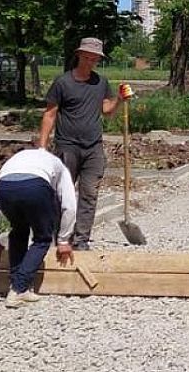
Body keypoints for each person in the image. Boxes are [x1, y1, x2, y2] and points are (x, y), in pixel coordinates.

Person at [37, 37, 127, 250]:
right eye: (87, 57)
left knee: (90, 194)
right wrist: (42, 147)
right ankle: (61, 237)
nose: (90, 61)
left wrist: (120, 100)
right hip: (67, 147)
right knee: (63, 195)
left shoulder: (101, 83)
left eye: (94, 58)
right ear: (79, 55)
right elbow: (50, 114)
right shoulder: (63, 83)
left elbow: (107, 111)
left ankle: (81, 240)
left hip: (93, 148)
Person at [0, 149, 78, 309]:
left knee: (19, 230)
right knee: (42, 239)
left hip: (5, 187)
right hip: (36, 186)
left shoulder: (15, 163)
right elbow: (69, 205)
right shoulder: (60, 167)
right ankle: (18, 289)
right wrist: (63, 240)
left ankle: (19, 285)